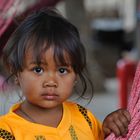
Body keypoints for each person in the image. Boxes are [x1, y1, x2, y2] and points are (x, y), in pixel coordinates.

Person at [0, 8, 131, 140]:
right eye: (38, 70)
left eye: (62, 70)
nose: (51, 82)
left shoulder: (84, 117)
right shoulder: (7, 132)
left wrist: (108, 130)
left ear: (75, 75)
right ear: (16, 72)